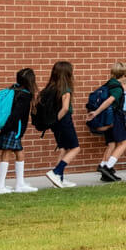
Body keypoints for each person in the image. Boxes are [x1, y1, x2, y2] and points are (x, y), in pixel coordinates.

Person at [0, 67, 38, 195]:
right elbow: (16, 115)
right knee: (6, 153)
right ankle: (0, 187)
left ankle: (20, 184)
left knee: (19, 153)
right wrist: (4, 129)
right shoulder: (25, 95)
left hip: (7, 127)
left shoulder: (13, 90)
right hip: (11, 129)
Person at [90, 61, 126, 181]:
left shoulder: (108, 84)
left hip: (107, 118)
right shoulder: (117, 88)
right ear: (123, 76)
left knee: (112, 142)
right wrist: (96, 112)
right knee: (124, 143)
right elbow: (109, 101)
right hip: (116, 117)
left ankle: (105, 175)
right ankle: (107, 167)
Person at [41, 60, 80, 188]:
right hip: (64, 121)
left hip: (55, 124)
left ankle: (59, 179)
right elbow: (64, 108)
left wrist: (52, 122)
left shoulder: (51, 87)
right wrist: (57, 120)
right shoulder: (65, 89)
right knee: (75, 148)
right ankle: (56, 172)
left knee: (63, 148)